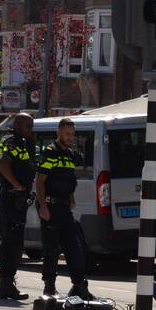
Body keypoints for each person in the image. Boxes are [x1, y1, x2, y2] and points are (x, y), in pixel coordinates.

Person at [35, 118, 91, 299]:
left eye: (72, 134)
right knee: (51, 248)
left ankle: (79, 286)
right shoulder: (50, 153)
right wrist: (43, 207)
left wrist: (71, 197)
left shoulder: (69, 154)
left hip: (64, 206)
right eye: (67, 134)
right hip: (50, 206)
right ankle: (49, 287)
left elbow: (68, 180)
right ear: (58, 132)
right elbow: (40, 182)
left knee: (73, 246)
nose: (70, 137)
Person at [0, 113, 35, 301]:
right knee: (11, 242)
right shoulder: (12, 141)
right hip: (12, 198)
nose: (30, 130)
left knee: (15, 242)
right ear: (18, 125)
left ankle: (7, 285)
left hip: (17, 199)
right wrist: (16, 185)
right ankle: (5, 287)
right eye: (28, 126)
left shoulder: (20, 142)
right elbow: (3, 164)